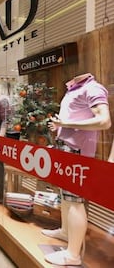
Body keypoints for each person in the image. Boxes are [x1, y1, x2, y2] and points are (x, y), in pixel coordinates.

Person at [42, 73, 111, 266]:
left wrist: (65, 124)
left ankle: (72, 255)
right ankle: (65, 232)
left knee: (75, 200)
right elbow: (74, 118)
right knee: (66, 197)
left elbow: (104, 121)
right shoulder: (73, 90)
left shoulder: (93, 88)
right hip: (67, 147)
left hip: (77, 151)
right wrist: (60, 127)